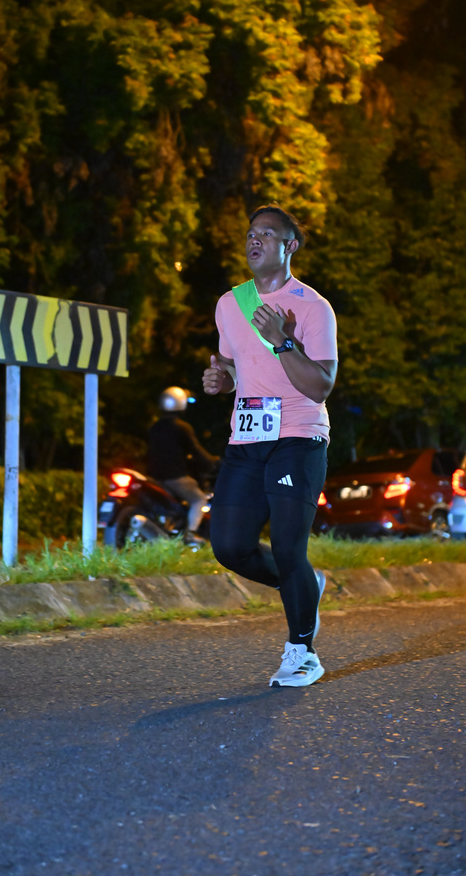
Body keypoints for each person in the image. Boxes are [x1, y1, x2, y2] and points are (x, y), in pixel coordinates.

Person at [203, 204, 337, 687]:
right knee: (230, 546)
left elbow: (320, 385)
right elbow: (232, 366)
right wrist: (221, 379)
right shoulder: (229, 303)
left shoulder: (313, 307)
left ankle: (303, 653)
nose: (254, 240)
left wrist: (282, 340)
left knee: (287, 545)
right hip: (248, 436)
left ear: (289, 246)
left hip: (298, 436)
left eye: (267, 233)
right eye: (250, 233)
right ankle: (304, 585)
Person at [146, 386, 219, 545]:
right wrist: (212, 462)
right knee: (199, 499)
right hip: (175, 477)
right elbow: (196, 451)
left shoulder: (155, 427)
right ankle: (190, 534)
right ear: (181, 403)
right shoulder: (182, 427)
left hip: (154, 477)